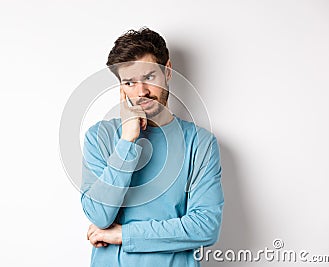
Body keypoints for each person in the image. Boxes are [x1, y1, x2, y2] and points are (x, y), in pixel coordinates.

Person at [80, 27, 224, 267]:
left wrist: (124, 235)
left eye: (149, 77)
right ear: (120, 87)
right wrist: (127, 140)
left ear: (167, 71)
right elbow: (99, 216)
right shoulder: (99, 137)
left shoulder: (200, 143)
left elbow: (205, 227)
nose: (141, 92)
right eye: (129, 82)